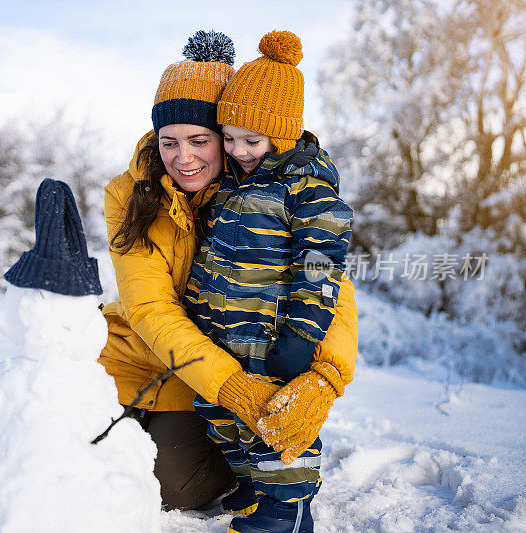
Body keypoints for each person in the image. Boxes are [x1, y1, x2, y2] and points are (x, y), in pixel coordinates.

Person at [98, 30, 358, 514]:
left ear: (230, 136)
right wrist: (235, 388)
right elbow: (151, 306)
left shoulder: (272, 191)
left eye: (201, 140)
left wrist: (324, 375)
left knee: (184, 486)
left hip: (213, 367)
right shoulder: (130, 194)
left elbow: (328, 279)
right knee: (104, 467)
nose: (184, 157)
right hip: (147, 357)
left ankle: (274, 499)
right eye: (169, 141)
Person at [185, 30, 353, 533]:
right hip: (222, 336)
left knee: (276, 427)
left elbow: (321, 268)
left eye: (251, 140)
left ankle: (287, 510)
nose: (236, 150)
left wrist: (303, 334)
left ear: (282, 134)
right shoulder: (234, 184)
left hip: (273, 338)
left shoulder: (308, 189)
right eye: (229, 137)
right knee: (222, 417)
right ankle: (255, 484)